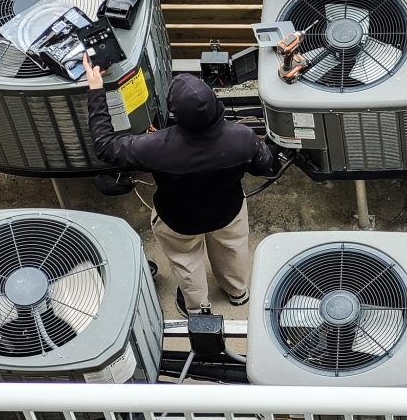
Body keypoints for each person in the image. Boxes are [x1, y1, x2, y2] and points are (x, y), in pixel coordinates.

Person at [83, 55, 276, 316]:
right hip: (227, 211)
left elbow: (105, 147)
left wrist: (96, 88)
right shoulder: (242, 138)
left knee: (187, 264)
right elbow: (266, 166)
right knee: (232, 251)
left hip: (178, 219)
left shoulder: (154, 146)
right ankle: (237, 292)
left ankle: (197, 309)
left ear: (175, 113)